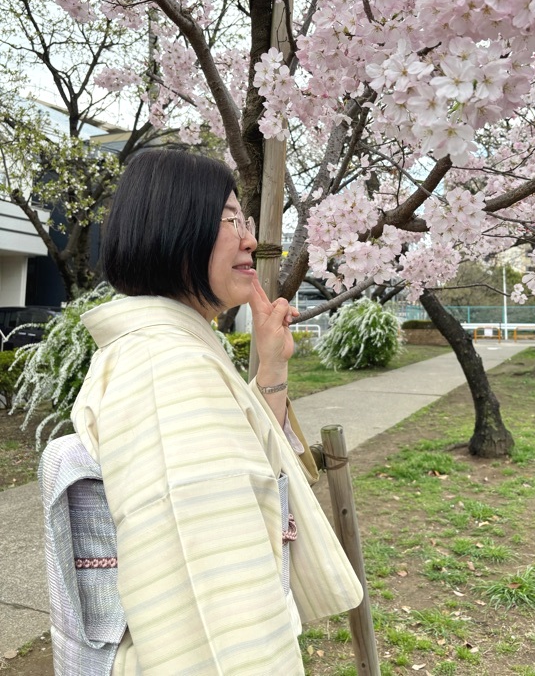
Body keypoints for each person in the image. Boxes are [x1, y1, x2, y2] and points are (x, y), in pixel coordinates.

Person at [69, 148, 363, 674]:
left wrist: (270, 368)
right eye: (230, 220)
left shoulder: (170, 350)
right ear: (174, 231)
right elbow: (218, 608)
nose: (250, 239)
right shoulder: (169, 368)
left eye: (245, 220)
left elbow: (248, 468)